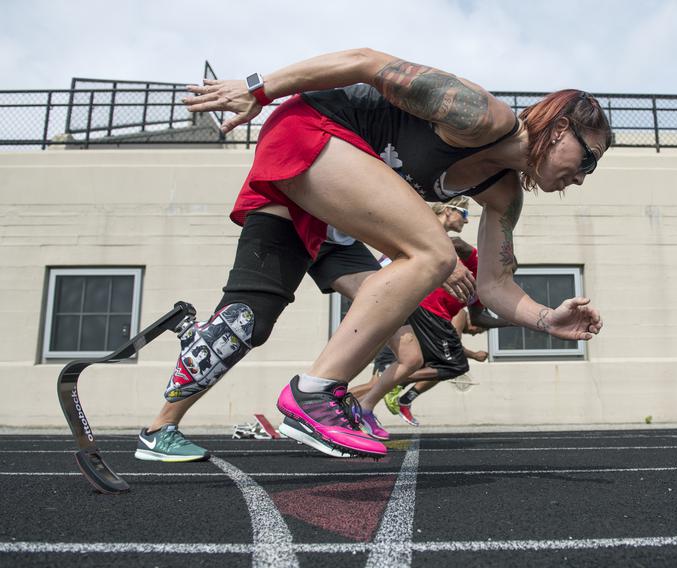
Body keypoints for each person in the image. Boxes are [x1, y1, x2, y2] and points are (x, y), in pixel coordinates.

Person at [169, 48, 608, 460]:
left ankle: (168, 425)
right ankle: (315, 391)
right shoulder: (478, 114)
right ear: (561, 129)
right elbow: (366, 61)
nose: (584, 178)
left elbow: (494, 285)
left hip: (324, 180)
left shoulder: (503, 193)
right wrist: (257, 89)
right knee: (434, 254)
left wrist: (548, 319)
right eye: (588, 161)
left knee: (249, 317)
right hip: (310, 128)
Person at [136, 199, 471, 461]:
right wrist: (440, 254)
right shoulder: (373, 122)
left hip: (341, 238)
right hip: (292, 216)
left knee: (394, 313)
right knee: (244, 323)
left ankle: (342, 404)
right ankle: (160, 429)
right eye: (464, 215)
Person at [350, 237, 510, 439]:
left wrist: (512, 321)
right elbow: (457, 242)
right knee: (453, 365)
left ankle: (349, 407)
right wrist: (450, 266)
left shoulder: (483, 293)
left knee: (414, 363)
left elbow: (479, 318)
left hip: (425, 316)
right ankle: (343, 404)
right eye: (507, 275)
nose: (506, 284)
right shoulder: (476, 263)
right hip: (426, 310)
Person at [381, 306, 493, 427]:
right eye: (479, 329)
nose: (474, 334)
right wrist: (474, 355)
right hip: (401, 344)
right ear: (475, 319)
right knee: (372, 387)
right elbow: (452, 348)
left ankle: (405, 397)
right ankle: (397, 384)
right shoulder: (460, 314)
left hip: (415, 344)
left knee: (442, 369)